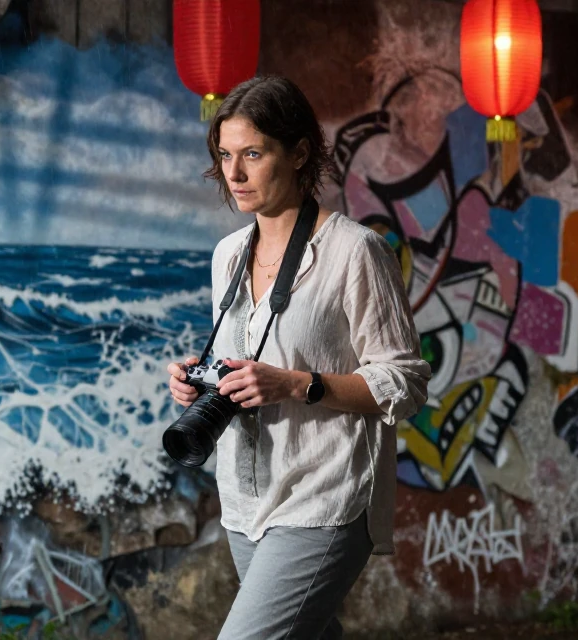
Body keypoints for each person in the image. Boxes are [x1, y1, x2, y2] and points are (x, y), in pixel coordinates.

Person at [166, 75, 430, 640]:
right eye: (225, 156)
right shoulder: (228, 255)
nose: (233, 175)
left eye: (253, 155)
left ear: (300, 152)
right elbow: (248, 365)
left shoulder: (355, 251)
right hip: (246, 498)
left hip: (324, 496)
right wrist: (201, 382)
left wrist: (296, 385)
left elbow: (404, 382)